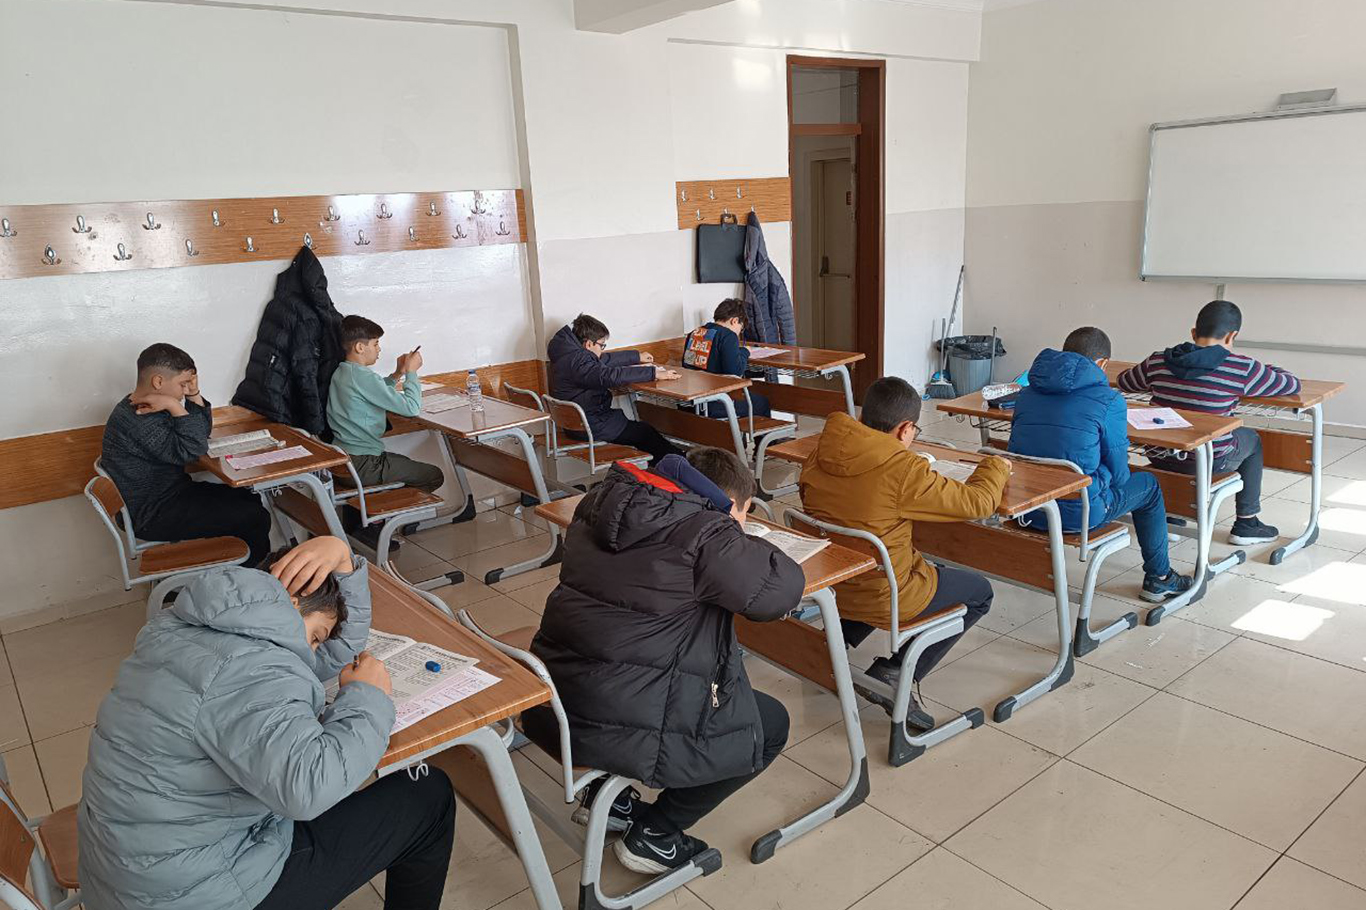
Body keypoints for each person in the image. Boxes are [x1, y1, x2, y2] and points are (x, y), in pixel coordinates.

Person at [77, 536, 457, 910]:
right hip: (202, 891)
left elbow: (333, 654)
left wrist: (342, 559)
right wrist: (368, 697)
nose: (314, 652)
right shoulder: (255, 666)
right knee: (428, 796)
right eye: (315, 638)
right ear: (290, 602)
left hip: (130, 876)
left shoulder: (187, 625)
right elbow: (309, 789)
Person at [526, 447, 804, 874]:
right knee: (769, 724)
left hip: (559, 694)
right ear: (730, 504)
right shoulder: (706, 535)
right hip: (617, 718)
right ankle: (656, 833)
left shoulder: (602, 501)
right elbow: (778, 592)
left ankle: (611, 800)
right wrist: (735, 533)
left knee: (640, 653)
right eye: (746, 512)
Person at [799, 376, 1008, 731]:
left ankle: (826, 650)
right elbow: (978, 502)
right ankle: (896, 671)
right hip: (885, 595)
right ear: (905, 429)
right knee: (979, 592)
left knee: (883, 568)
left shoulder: (822, 449)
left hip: (832, 582)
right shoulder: (903, 469)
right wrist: (995, 466)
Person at [1009, 328, 1195, 602]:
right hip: (1078, 515)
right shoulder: (1109, 400)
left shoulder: (1026, 394)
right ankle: (1160, 578)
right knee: (1148, 485)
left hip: (1027, 508)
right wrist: (1103, 477)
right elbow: (1120, 476)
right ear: (1103, 363)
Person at [1117, 300, 1301, 545]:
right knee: (1252, 439)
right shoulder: (1242, 367)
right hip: (1209, 459)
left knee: (1178, 436)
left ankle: (1170, 516)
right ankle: (1246, 522)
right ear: (1232, 336)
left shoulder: (1158, 361)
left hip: (1159, 453)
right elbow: (1291, 384)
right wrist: (1268, 368)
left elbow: (1125, 382)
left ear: (1194, 333)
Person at [101, 342, 272, 564]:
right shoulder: (138, 418)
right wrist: (175, 406)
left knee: (248, 497)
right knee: (255, 517)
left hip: (170, 496)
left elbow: (200, 434)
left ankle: (239, 571)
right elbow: (193, 450)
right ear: (158, 381)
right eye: (183, 384)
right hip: (151, 513)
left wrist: (193, 396)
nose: (184, 390)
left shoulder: (147, 407)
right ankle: (254, 578)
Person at [328, 315, 442, 548]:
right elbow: (411, 408)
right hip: (364, 464)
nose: (379, 349)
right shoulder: (363, 376)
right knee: (433, 475)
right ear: (360, 347)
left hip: (345, 461)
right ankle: (378, 524)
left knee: (405, 464)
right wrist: (412, 373)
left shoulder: (344, 372)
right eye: (376, 343)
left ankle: (371, 523)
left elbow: (376, 391)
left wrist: (397, 373)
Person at [547, 313, 684, 465]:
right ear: (589, 344)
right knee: (645, 433)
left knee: (642, 432)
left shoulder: (567, 353)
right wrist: (653, 373)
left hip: (579, 424)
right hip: (592, 425)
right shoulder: (579, 361)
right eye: (601, 345)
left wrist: (636, 356)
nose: (602, 350)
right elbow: (608, 375)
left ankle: (670, 464)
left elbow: (601, 361)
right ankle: (681, 463)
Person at [682, 298, 772, 418]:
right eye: (741, 328)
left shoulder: (695, 333)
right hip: (714, 402)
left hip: (691, 402)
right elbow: (735, 373)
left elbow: (688, 364)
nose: (739, 333)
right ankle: (744, 431)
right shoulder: (728, 336)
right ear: (735, 321)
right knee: (762, 403)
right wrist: (745, 351)